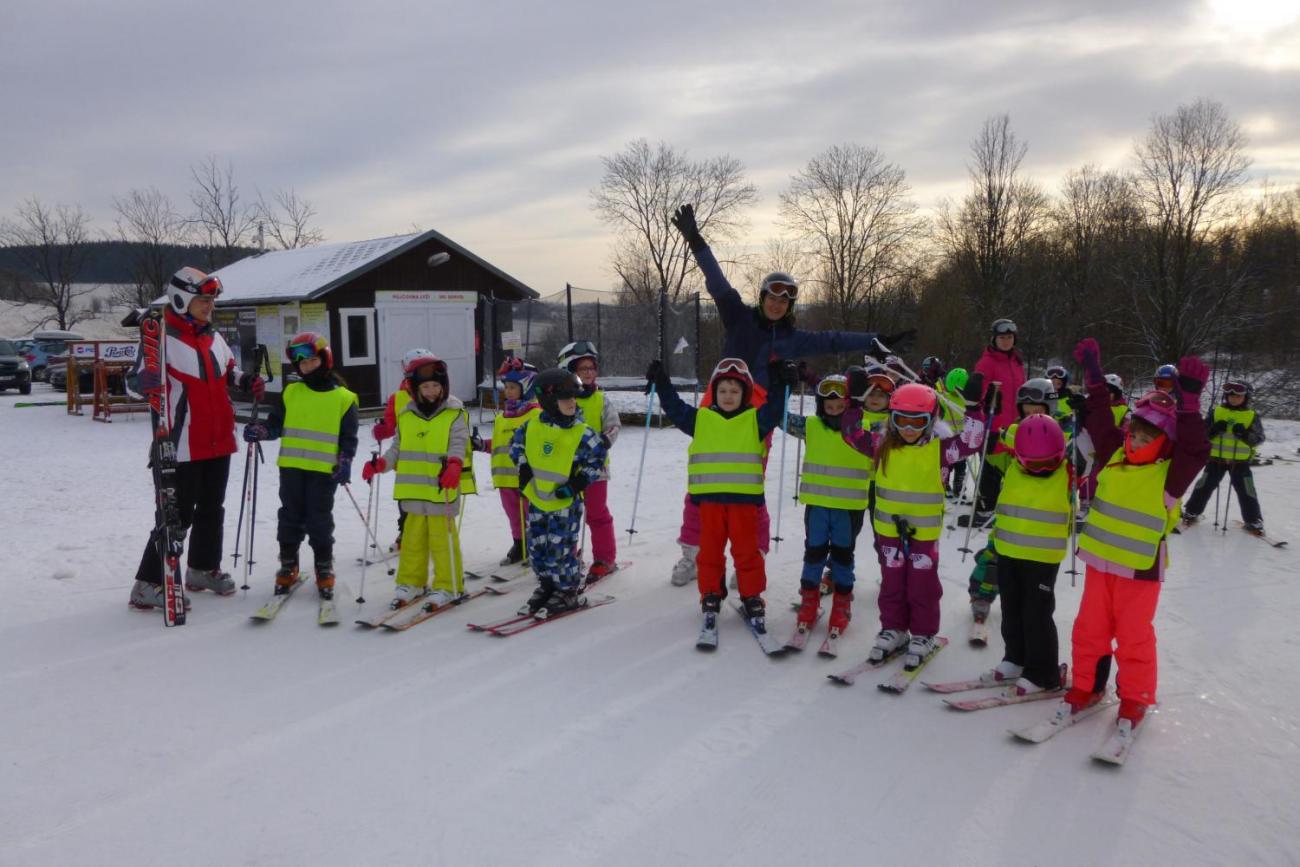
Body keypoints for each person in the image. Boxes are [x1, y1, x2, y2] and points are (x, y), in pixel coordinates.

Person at [667, 203, 911, 586]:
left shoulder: (794, 339)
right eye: (772, 296)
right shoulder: (738, 316)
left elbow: (832, 339)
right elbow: (716, 281)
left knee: (749, 483)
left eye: (785, 300)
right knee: (702, 480)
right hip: (718, 402)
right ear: (763, 296)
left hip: (756, 414)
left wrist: (874, 341)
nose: (777, 304)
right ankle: (692, 552)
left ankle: (752, 552)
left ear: (790, 305)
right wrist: (696, 241)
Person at [1055, 338, 1210, 738]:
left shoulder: (1168, 477)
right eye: (1134, 434)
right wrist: (1093, 380)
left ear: (1164, 443)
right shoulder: (1113, 457)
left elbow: (1196, 450)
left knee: (1133, 638)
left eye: (1147, 438)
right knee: (1088, 630)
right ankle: (1086, 687)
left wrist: (1190, 406)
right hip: (1099, 564)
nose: (1135, 442)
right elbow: (1100, 421)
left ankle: (1135, 697)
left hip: (1139, 573)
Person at [129, 267, 266, 611]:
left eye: (212, 300)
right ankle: (148, 583)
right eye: (203, 300)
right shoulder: (159, 338)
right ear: (182, 300)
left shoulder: (213, 338)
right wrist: (143, 382)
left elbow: (227, 369)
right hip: (181, 445)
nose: (209, 306)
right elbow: (132, 383)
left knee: (211, 510)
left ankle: (202, 568)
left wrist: (244, 380)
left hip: (219, 439)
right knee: (176, 516)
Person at [840, 376, 989, 669]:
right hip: (888, 532)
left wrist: (974, 409)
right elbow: (850, 433)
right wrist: (855, 403)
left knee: (922, 586)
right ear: (891, 420)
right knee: (892, 584)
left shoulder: (940, 450)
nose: (908, 429)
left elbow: (972, 442)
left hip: (923, 533)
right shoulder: (880, 445)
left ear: (931, 421)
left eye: (917, 422)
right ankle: (893, 628)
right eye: (901, 421)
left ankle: (923, 633)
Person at [647, 357, 786, 635]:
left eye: (735, 391)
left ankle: (751, 595)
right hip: (708, 504)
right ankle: (710, 593)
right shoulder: (701, 419)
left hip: (744, 504)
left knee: (747, 554)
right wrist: (662, 383)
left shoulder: (754, 420)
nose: (728, 396)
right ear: (714, 392)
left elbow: (774, 410)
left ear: (745, 394)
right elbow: (674, 408)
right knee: (709, 553)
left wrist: (779, 382)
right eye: (722, 390)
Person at [243, 333, 358, 600]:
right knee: (290, 517)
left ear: (325, 359)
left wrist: (345, 461)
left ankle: (323, 565)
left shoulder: (344, 398)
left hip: (323, 470)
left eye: (312, 360)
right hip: (292, 468)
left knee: (319, 520)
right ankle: (288, 563)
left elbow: (349, 437)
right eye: (301, 363)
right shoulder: (291, 392)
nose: (307, 366)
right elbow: (275, 425)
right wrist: (260, 431)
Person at [361, 353, 475, 609]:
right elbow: (398, 449)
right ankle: (412, 582)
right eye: (426, 386)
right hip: (413, 492)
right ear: (415, 388)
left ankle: (449, 585)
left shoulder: (454, 412)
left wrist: (455, 465)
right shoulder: (406, 415)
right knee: (412, 540)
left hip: (440, 489)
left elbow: (459, 443)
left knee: (442, 540)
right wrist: (381, 464)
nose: (432, 391)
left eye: (436, 385)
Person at [780, 368, 871, 642]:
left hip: (848, 509)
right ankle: (809, 602)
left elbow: (898, 425)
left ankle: (842, 605)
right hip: (818, 508)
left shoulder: (864, 430)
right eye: (829, 406)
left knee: (843, 558)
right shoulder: (811, 427)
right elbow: (780, 419)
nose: (834, 410)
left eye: (840, 406)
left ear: (850, 404)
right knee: (814, 555)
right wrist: (779, 387)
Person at [987, 414, 1073, 694]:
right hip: (1009, 550)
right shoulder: (1010, 463)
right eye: (1033, 464)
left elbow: (1098, 440)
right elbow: (993, 440)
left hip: (1043, 557)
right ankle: (1016, 656)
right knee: (1011, 609)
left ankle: (1044, 672)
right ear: (1019, 456)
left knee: (1036, 614)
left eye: (1049, 462)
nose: (1041, 469)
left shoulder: (1069, 470)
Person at [510, 368, 607, 617]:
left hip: (565, 503)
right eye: (566, 399)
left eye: (574, 398)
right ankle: (547, 584)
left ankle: (566, 590)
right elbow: (517, 447)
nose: (572, 403)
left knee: (561, 550)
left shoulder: (581, 432)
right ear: (549, 401)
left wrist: (577, 483)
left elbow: (597, 460)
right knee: (537, 548)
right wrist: (523, 469)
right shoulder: (530, 426)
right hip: (537, 500)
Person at [557, 340, 622, 582]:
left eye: (591, 368)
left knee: (596, 513)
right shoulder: (564, 400)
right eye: (582, 369)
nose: (587, 373)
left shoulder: (600, 400)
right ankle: (568, 555)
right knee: (568, 513)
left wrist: (605, 441)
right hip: (567, 469)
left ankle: (605, 558)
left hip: (595, 470)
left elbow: (614, 424)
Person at [1180, 380, 1267, 534]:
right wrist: (1213, 430)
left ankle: (1253, 520)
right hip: (1216, 460)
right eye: (1230, 396)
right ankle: (1191, 512)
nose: (1233, 399)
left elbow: (1259, 438)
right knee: (1204, 486)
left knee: (1247, 491)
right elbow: (1202, 434)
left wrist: (1245, 434)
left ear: (1246, 397)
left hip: (1240, 463)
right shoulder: (1216, 412)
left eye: (1238, 396)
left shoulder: (1251, 415)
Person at [479, 358, 540, 565]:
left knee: (532, 515)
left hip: (527, 478)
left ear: (528, 387)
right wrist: (481, 445)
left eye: (513, 387)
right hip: (505, 478)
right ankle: (519, 544)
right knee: (514, 516)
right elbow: (498, 445)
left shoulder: (535, 414)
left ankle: (537, 547)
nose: (508, 391)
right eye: (506, 387)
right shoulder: (502, 417)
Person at [968, 318, 1027, 527]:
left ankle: (1008, 505)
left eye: (1009, 337)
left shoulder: (1017, 362)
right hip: (993, 423)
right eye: (1002, 337)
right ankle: (986, 506)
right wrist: (984, 398)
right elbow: (977, 393)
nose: (1006, 341)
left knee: (1013, 466)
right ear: (994, 338)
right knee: (991, 467)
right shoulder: (987, 362)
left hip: (1015, 425)